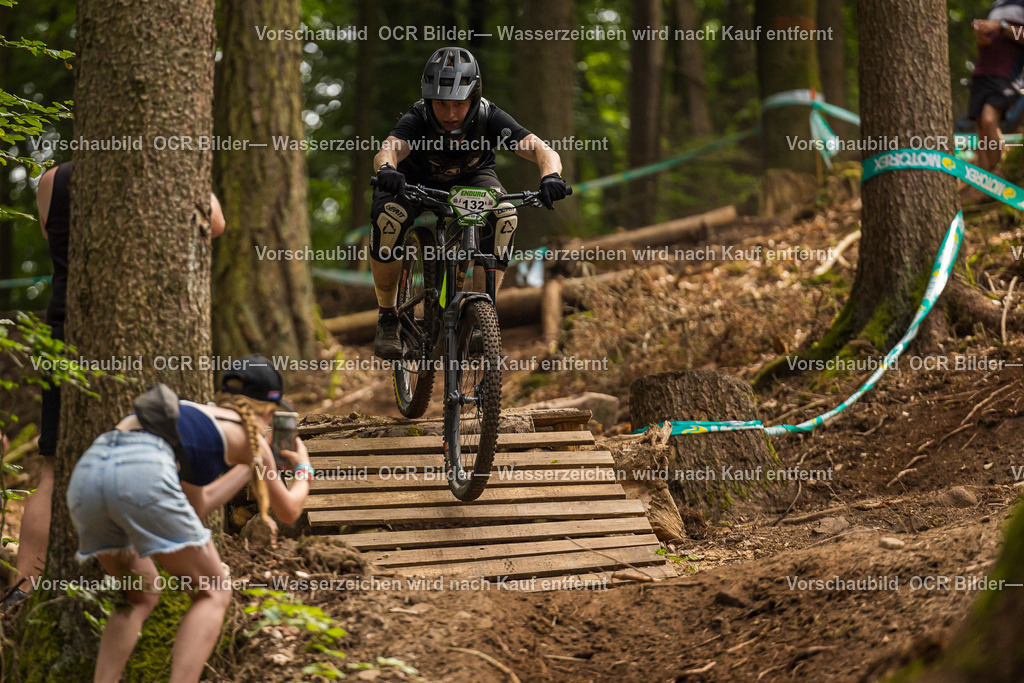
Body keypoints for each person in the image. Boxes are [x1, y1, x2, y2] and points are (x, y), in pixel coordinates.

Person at [2, 163, 226, 611]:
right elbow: (215, 224)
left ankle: (24, 588)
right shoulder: (171, 169)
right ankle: (168, 569)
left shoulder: (51, 179)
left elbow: (51, 234)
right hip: (143, 325)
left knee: (54, 467)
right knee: (157, 456)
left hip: (64, 324)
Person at [65, 356, 311, 683]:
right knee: (214, 590)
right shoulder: (243, 432)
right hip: (143, 471)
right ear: (268, 411)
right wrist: (304, 469)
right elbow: (289, 510)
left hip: (89, 471)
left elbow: (199, 506)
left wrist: (248, 464)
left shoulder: (193, 416)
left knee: (139, 594)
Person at [369, 46, 569, 359]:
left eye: (459, 104)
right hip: (413, 182)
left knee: (504, 215)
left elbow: (541, 149)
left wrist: (551, 177)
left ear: (473, 99)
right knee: (389, 217)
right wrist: (387, 170)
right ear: (429, 99)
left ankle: (480, 311)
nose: (450, 114)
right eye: (441, 104)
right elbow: (388, 149)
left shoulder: (490, 117)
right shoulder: (418, 118)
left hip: (473, 179)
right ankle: (388, 316)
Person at [970, 1, 1024, 172]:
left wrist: (1000, 26)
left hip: (1007, 74)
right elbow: (985, 44)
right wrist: (981, 34)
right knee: (982, 127)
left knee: (988, 120)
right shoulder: (997, 4)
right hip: (982, 72)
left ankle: (998, 176)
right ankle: (984, 185)